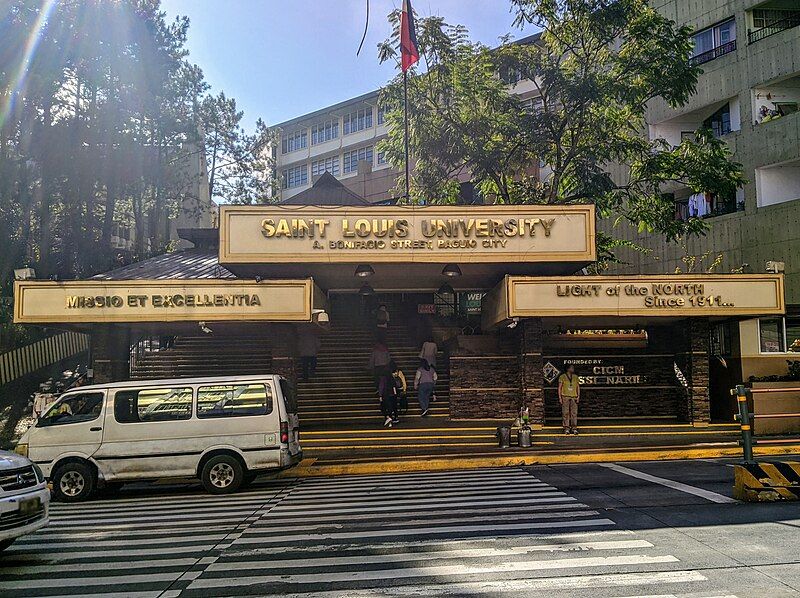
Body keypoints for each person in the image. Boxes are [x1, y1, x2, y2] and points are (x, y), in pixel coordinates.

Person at [558, 364, 580, 435]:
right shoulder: (562, 377)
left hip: (574, 396)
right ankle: (566, 428)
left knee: (574, 413)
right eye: (571, 368)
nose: (573, 369)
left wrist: (578, 396)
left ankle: (574, 428)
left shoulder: (575, 377)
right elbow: (560, 388)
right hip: (565, 396)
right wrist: (560, 398)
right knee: (566, 412)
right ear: (568, 369)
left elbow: (577, 387)